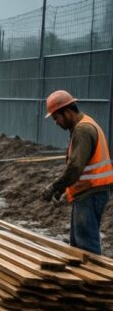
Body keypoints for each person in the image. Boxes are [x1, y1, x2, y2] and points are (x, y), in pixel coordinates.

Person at [41, 90, 113, 255]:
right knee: (77, 247)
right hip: (89, 192)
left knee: (87, 249)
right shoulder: (85, 125)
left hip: (90, 193)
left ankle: (95, 280)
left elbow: (75, 168)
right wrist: (61, 189)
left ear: (66, 112)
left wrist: (53, 187)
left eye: (55, 118)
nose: (56, 123)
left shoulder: (82, 130)